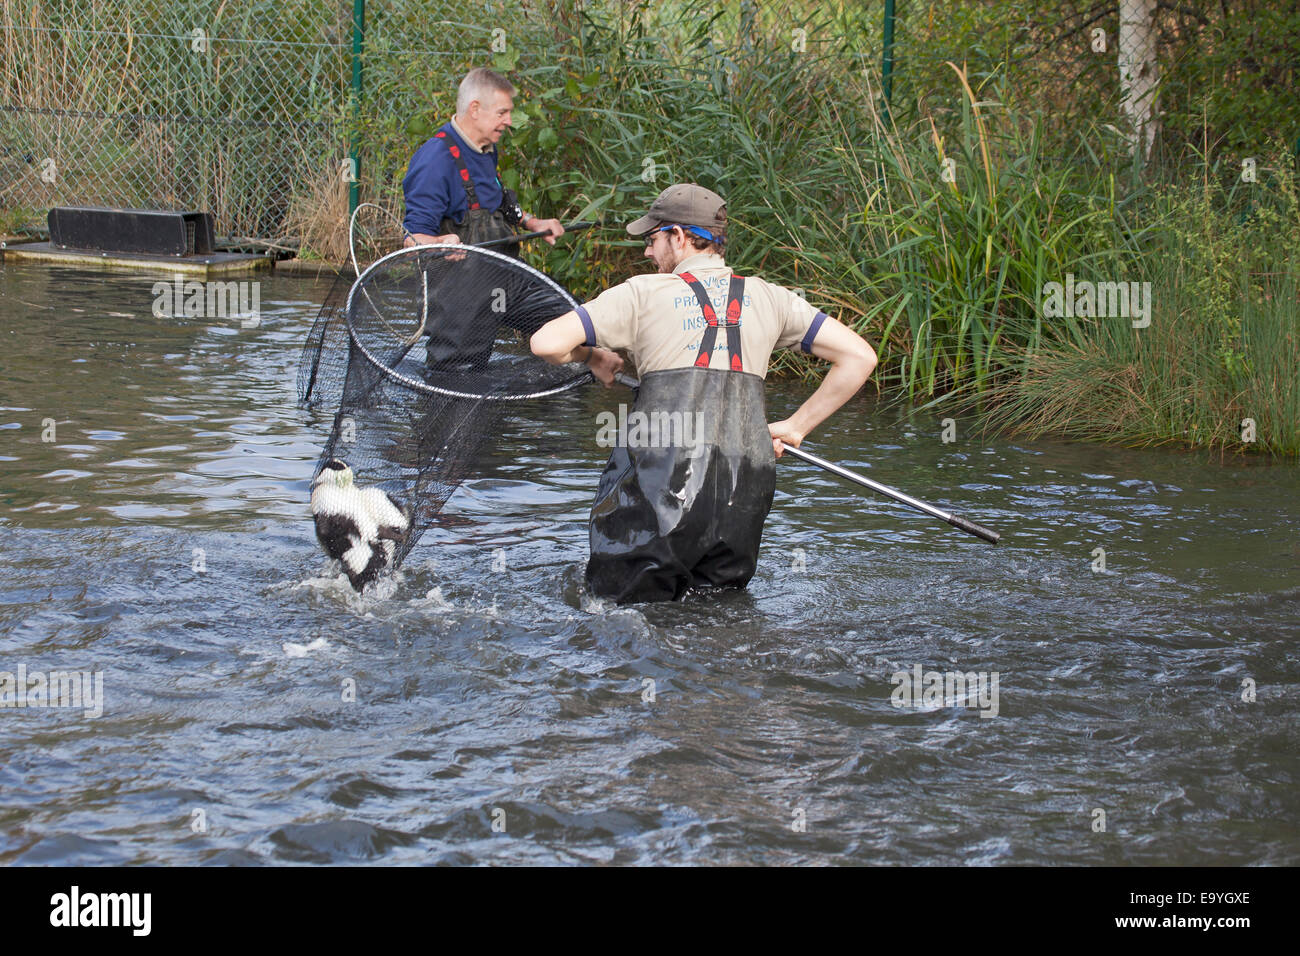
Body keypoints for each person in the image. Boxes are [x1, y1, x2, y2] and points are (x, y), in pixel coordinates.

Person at [530, 183, 878, 603]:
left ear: (678, 236)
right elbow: (859, 357)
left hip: (657, 489)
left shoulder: (641, 293)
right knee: (717, 619)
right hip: (742, 492)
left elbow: (545, 343)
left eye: (652, 239)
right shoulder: (773, 298)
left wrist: (590, 355)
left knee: (620, 614)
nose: (647, 253)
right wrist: (796, 427)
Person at [402, 67, 564, 249]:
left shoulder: (485, 148)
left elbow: (496, 203)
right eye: (502, 113)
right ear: (475, 109)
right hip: (456, 274)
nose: (509, 121)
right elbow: (413, 241)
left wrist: (533, 223)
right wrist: (441, 244)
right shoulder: (436, 160)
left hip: (498, 268)